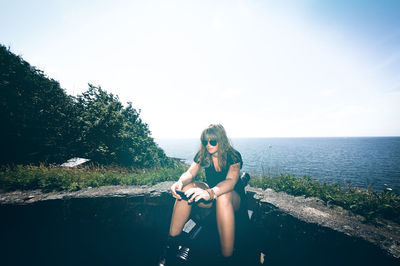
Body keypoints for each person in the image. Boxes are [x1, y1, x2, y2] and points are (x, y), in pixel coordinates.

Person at [158, 124, 246, 264]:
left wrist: (210, 192)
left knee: (223, 196)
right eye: (205, 142)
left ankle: (227, 257)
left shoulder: (233, 155)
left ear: (221, 140)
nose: (208, 145)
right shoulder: (204, 154)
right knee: (186, 188)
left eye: (212, 141)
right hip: (211, 194)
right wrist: (180, 182)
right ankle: (171, 244)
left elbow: (230, 181)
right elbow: (190, 172)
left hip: (232, 199)